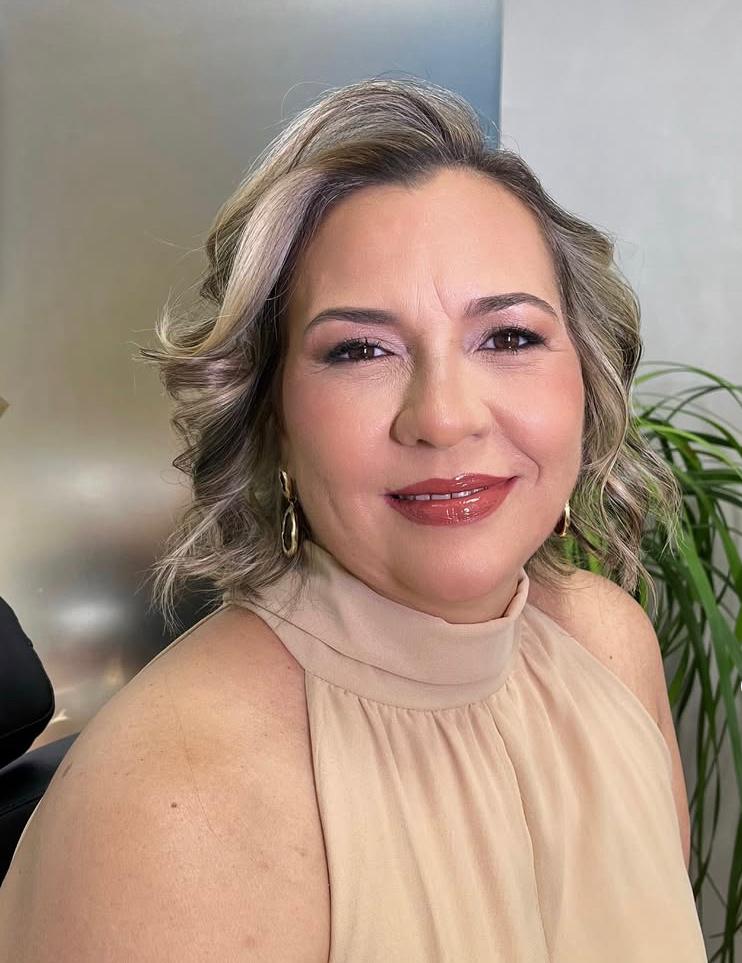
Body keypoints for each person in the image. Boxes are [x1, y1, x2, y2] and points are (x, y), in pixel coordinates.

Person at [0, 77, 707, 962]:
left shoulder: (612, 648)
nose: (443, 417)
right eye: (361, 349)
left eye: (509, 337)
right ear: (272, 418)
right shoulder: (168, 804)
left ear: (588, 383)